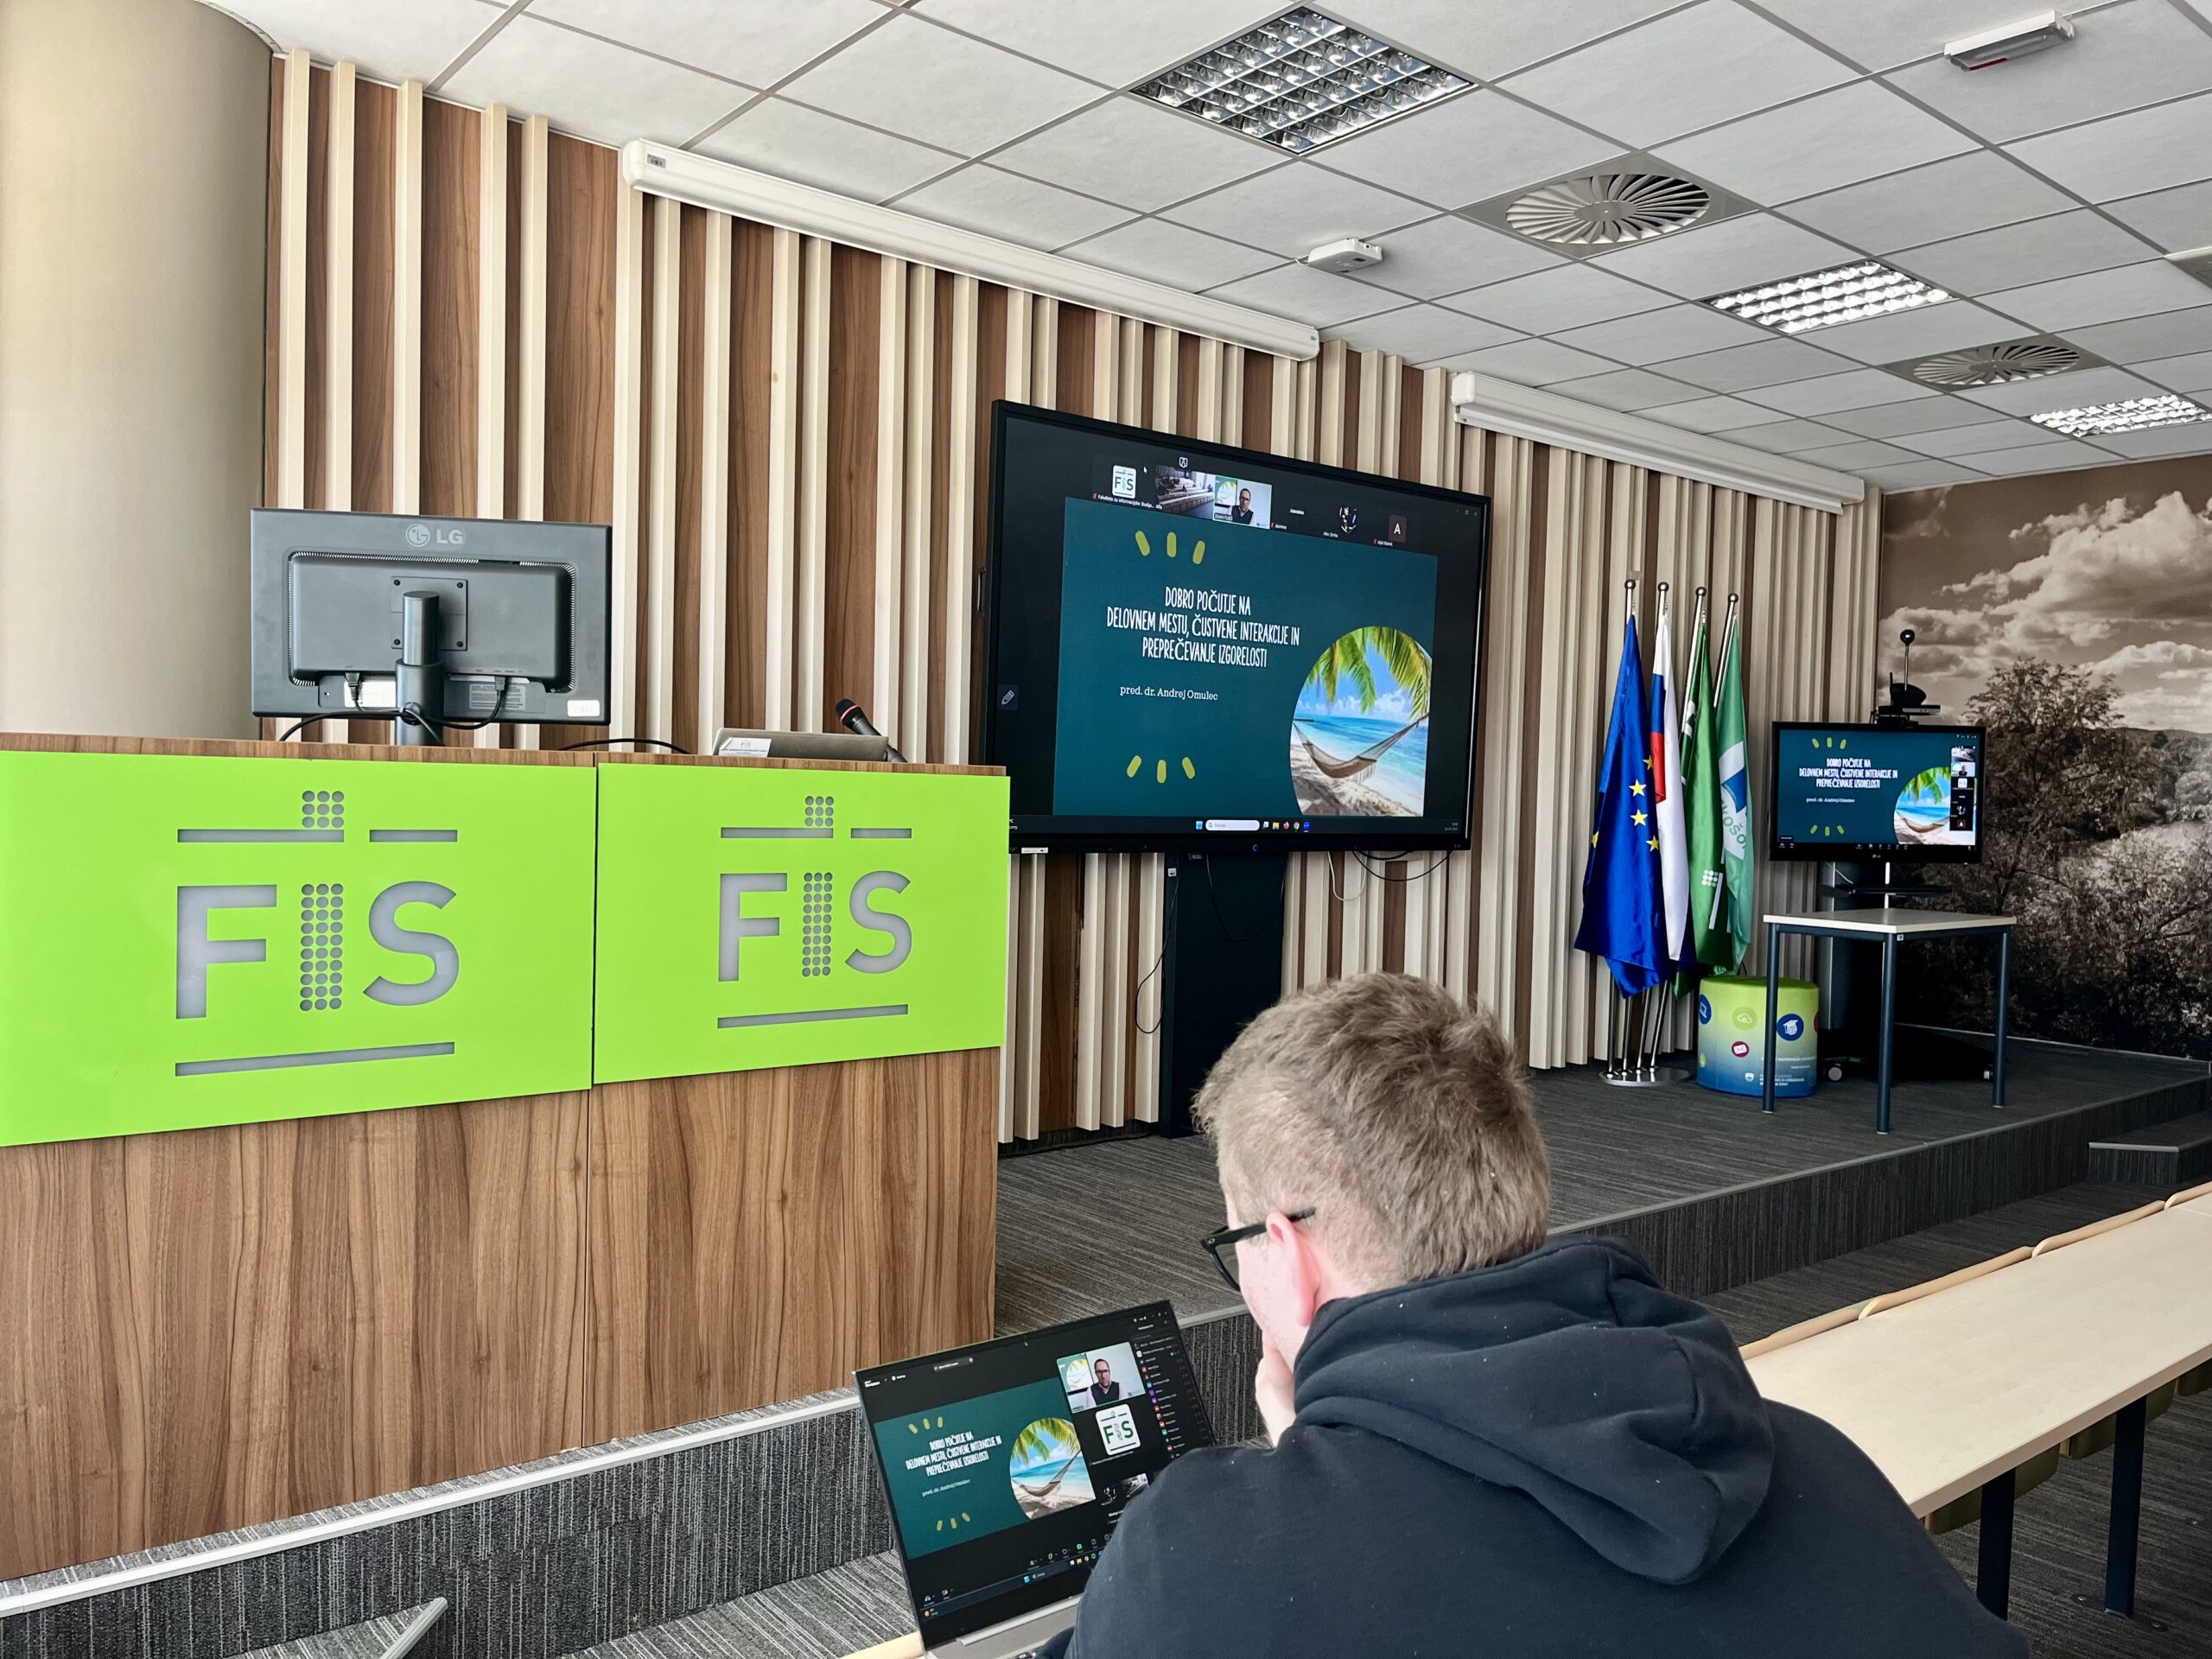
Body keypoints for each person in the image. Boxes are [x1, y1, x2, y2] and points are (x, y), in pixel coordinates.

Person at [1044, 974, 2024, 1658]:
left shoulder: (1201, 1556)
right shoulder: (1823, 1467)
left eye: (1237, 1245)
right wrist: (1331, 1463)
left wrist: (1292, 1489)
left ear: (1286, 1253)